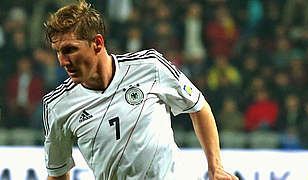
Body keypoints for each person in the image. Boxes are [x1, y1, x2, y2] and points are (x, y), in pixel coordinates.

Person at [42, 1, 238, 180]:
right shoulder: (58, 106)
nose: (62, 61)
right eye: (58, 51)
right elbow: (57, 173)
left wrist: (215, 167)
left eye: (70, 50)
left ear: (98, 43)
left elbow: (199, 107)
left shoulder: (150, 67)